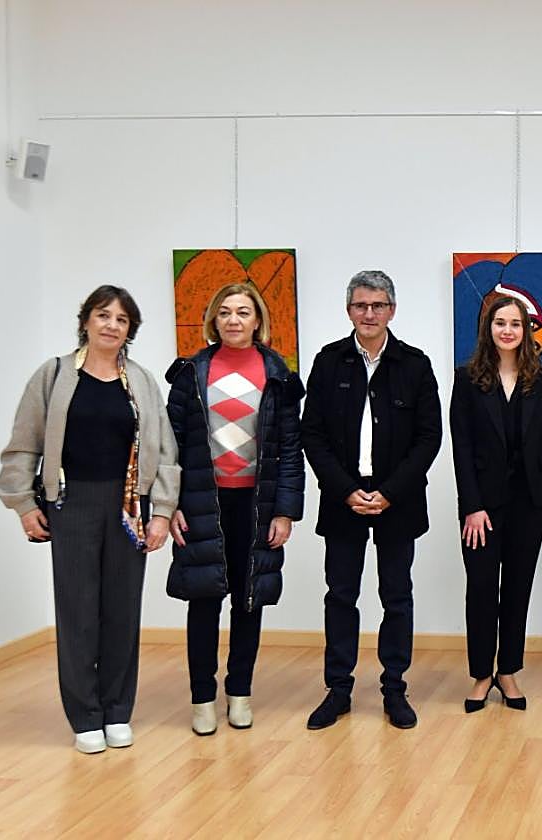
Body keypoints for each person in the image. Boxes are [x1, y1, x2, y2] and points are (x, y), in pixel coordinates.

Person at [0, 286, 178, 754]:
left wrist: (161, 513)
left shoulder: (141, 382)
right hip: (69, 504)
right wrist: (22, 504)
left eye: (122, 320)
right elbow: (23, 444)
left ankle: (118, 710)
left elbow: (166, 456)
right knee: (77, 612)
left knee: (122, 610)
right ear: (86, 321)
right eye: (103, 315)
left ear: (130, 331)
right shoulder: (54, 375)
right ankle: (85, 717)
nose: (111, 325)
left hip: (127, 509)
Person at [302, 270, 442, 730]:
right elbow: (313, 435)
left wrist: (388, 492)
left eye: (378, 305)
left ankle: (394, 689)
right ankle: (337, 690)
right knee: (340, 595)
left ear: (392, 310)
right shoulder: (328, 361)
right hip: (343, 499)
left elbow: (428, 438)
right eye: (360, 305)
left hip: (396, 501)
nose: (369, 313)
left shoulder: (415, 365)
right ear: (349, 311)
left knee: (396, 597)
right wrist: (346, 490)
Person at [165, 282, 305, 736]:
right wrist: (170, 505)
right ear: (213, 319)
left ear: (258, 320)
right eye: (224, 312)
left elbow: (289, 449)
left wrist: (285, 511)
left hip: (257, 503)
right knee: (204, 600)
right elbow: (171, 445)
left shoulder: (277, 373)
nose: (233, 320)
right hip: (203, 501)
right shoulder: (191, 372)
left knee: (250, 600)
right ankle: (203, 699)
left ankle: (239, 693)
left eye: (243, 312)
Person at [449, 296, 542, 713]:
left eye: (516, 323)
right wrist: (471, 507)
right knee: (481, 588)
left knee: (517, 589)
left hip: (530, 503)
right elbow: (460, 448)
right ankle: (482, 673)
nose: (508, 330)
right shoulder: (467, 379)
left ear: (526, 330)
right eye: (500, 322)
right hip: (482, 506)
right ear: (488, 328)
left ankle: (508, 670)